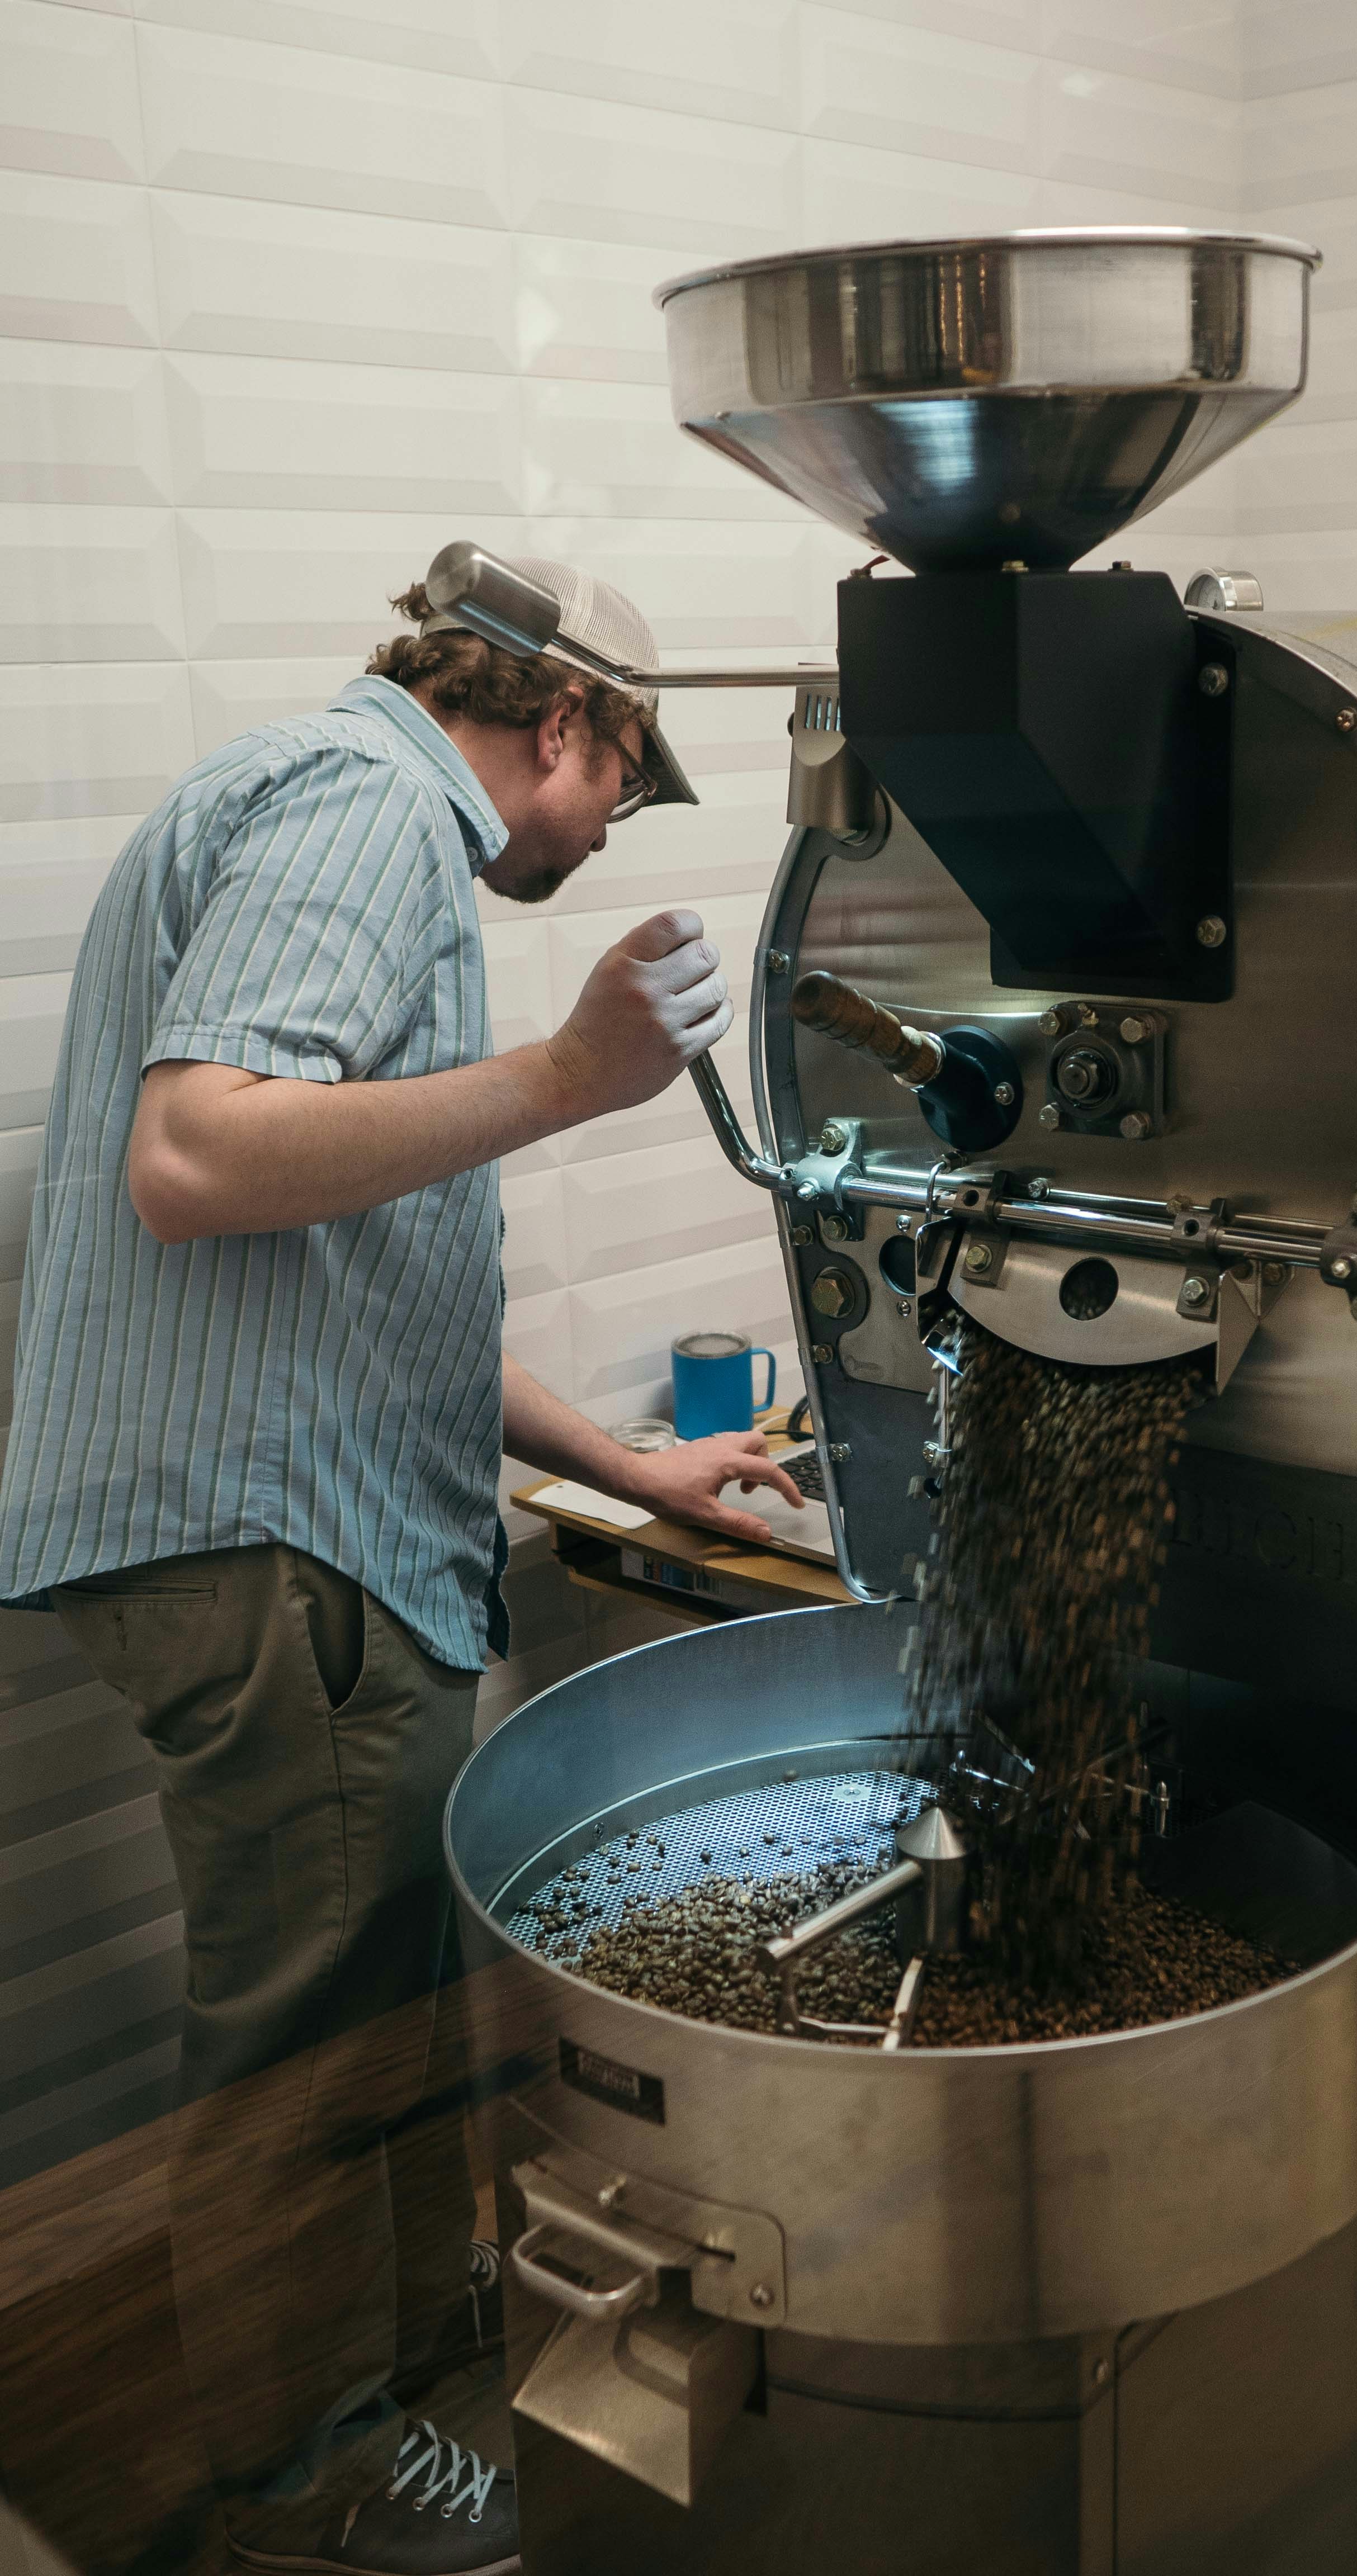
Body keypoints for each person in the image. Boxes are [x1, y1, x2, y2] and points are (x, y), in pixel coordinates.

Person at [0, 555, 806, 2576]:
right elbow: (194, 1161)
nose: (615, 823)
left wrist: (628, 1462)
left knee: (358, 2002)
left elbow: (356, 1256)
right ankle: (307, 2484)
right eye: (628, 781)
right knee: (299, 2036)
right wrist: (568, 1080)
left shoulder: (312, 802)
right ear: (566, 725)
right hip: (275, 1544)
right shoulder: (376, 809)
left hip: (270, 1515)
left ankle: (385, 2380)